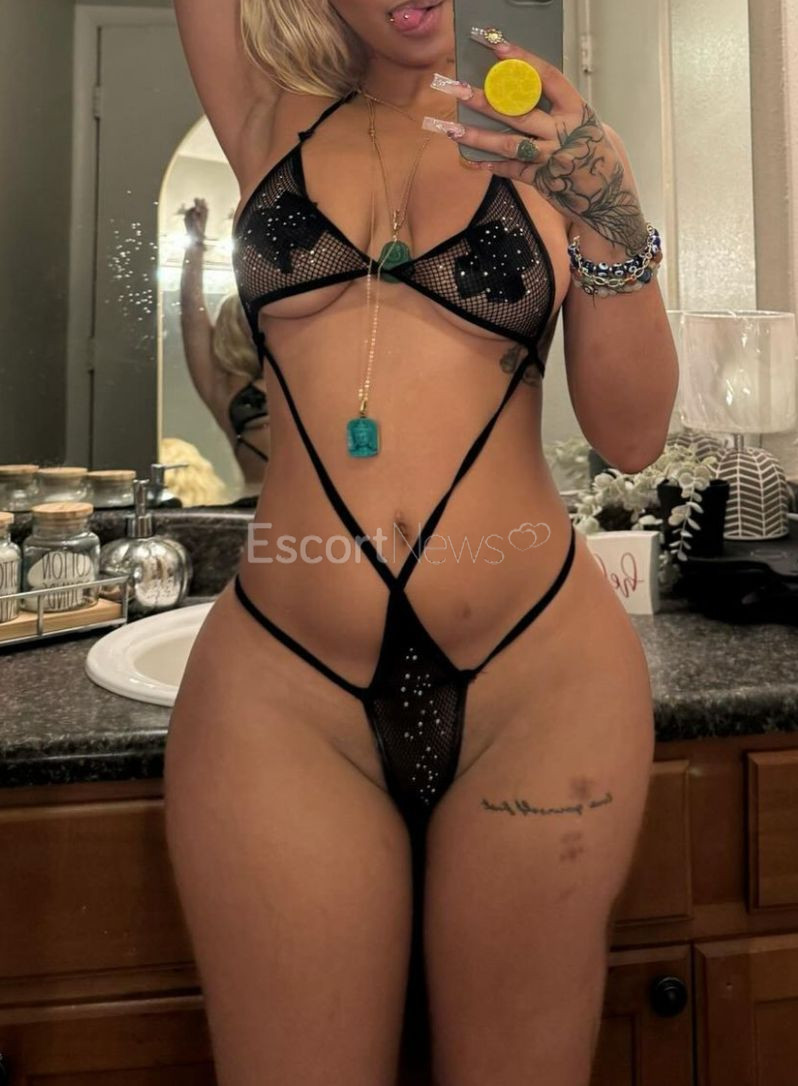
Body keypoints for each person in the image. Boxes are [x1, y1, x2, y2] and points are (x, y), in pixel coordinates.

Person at [164, 3, 679, 1085]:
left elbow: (632, 438)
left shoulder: (552, 147)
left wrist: (610, 214)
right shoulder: (264, 116)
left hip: (541, 683)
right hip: (285, 694)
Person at [180, 197, 270, 494]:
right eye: (248, 315)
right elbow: (192, 313)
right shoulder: (224, 385)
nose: (257, 320)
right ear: (235, 328)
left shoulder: (299, 368)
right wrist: (195, 246)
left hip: (317, 503)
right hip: (253, 502)